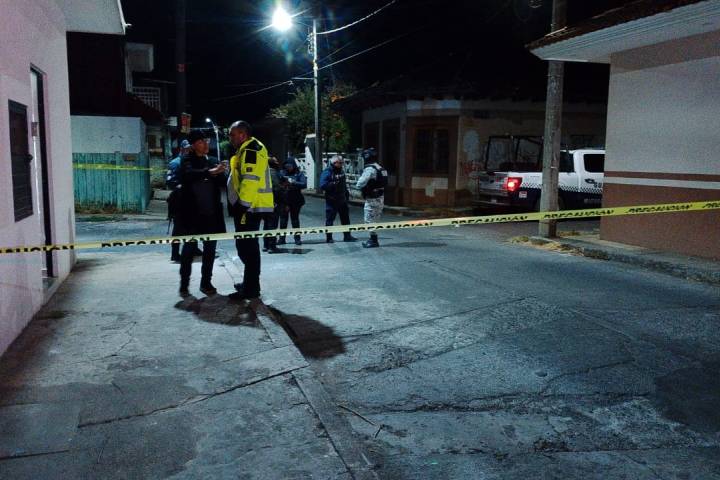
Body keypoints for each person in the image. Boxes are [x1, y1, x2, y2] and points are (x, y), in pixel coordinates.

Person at [174, 130, 227, 297]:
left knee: (210, 252)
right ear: (194, 145)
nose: (205, 144)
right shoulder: (187, 161)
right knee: (188, 251)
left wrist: (222, 171)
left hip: (211, 215)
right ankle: (184, 284)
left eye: (206, 141)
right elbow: (187, 175)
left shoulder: (212, 160)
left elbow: (222, 182)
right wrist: (209, 172)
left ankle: (206, 282)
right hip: (192, 216)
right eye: (201, 141)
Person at [227, 120, 274, 300]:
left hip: (250, 208)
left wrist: (242, 206)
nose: (230, 138)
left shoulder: (251, 150)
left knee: (248, 248)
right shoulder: (246, 149)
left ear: (242, 134)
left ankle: (251, 289)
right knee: (245, 247)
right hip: (249, 207)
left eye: (232, 135)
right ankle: (250, 284)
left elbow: (250, 180)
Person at [320, 155, 357, 243]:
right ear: (334, 163)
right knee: (330, 219)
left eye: (342, 163)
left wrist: (347, 194)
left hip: (342, 199)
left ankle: (347, 236)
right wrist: (333, 183)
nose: (341, 164)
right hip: (332, 200)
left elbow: (343, 184)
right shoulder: (327, 172)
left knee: (345, 218)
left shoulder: (341, 171)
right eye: (339, 163)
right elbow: (322, 185)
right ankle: (329, 238)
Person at [356, 148, 388, 248]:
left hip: (372, 198)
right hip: (380, 197)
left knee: (369, 219)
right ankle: (374, 239)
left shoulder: (370, 169)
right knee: (376, 218)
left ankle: (373, 240)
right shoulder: (380, 168)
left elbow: (360, 183)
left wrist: (360, 187)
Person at [167, 140, 191, 262]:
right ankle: (175, 253)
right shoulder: (175, 163)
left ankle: (193, 249)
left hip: (191, 201)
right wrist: (181, 187)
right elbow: (170, 182)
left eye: (190, 148)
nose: (188, 150)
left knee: (192, 227)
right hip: (179, 201)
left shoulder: (192, 161)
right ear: (181, 149)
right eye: (186, 148)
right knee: (178, 229)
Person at [278, 156, 307, 246]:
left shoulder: (299, 174)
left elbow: (304, 184)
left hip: (295, 200)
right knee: (283, 220)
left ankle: (297, 239)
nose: (288, 168)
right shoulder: (282, 173)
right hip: (284, 200)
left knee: (295, 220)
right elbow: (277, 183)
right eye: (287, 166)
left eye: (290, 166)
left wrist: (293, 182)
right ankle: (282, 239)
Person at [262, 156, 282, 254]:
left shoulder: (262, 172)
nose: (278, 162)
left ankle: (265, 245)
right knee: (272, 225)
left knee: (266, 224)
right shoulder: (273, 173)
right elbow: (276, 189)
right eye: (276, 161)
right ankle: (272, 246)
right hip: (272, 203)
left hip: (263, 203)